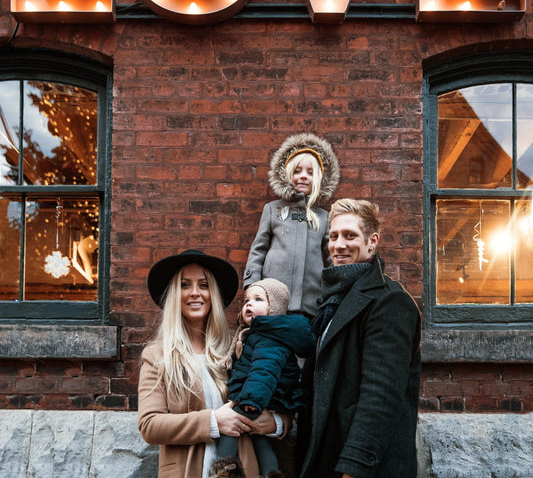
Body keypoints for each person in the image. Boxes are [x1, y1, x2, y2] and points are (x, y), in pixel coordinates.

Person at [299, 199, 421, 478]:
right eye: (333, 236)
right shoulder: (333, 301)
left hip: (362, 467)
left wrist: (353, 470)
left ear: (372, 241)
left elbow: (379, 397)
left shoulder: (389, 301)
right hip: (328, 457)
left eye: (350, 236)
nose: (338, 245)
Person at [138, 249, 285, 478]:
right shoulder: (156, 355)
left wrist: (276, 423)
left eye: (204, 285)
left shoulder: (237, 346)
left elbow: (277, 391)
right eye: (185, 285)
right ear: (174, 294)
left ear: (213, 294)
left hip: (243, 469)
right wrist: (213, 422)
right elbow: (150, 425)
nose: (195, 293)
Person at [216, 278, 316, 477]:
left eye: (258, 299)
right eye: (246, 301)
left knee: (231, 426)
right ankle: (272, 472)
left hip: (262, 395)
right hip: (263, 396)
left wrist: (250, 401)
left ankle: (223, 468)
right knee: (259, 437)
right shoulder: (257, 333)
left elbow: (264, 371)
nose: (249, 304)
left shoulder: (270, 338)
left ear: (274, 308)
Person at [243, 133, 340, 317]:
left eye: (310, 173)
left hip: (310, 300)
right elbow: (258, 249)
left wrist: (331, 291)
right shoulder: (272, 210)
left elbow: (332, 257)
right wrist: (252, 285)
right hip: (272, 295)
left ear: (319, 179)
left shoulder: (324, 217)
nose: (303, 177)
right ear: (287, 175)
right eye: (297, 171)